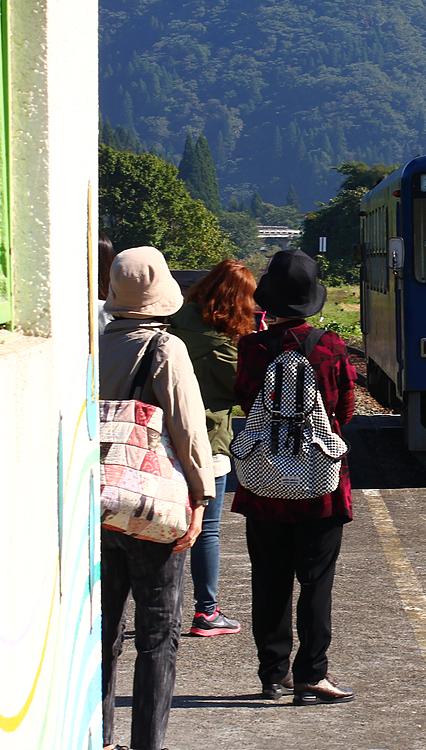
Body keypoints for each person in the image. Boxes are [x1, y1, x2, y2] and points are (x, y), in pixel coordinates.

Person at [99, 246, 216, 750]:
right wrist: (201, 496)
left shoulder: (92, 344)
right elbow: (188, 430)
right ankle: (148, 743)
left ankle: (100, 737)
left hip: (98, 503)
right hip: (152, 509)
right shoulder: (166, 350)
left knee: (102, 634)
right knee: (157, 635)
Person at [233, 249, 357, 705]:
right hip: (319, 485)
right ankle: (311, 674)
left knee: (268, 577)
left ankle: (271, 675)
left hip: (263, 483)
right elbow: (344, 411)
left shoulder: (252, 347)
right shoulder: (330, 347)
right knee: (316, 579)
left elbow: (247, 403)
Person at [167, 259, 258, 637]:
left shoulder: (171, 327)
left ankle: (165, 607)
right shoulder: (223, 349)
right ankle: (206, 611)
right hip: (209, 442)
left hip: (165, 439)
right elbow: (245, 395)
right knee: (207, 530)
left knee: (164, 525)